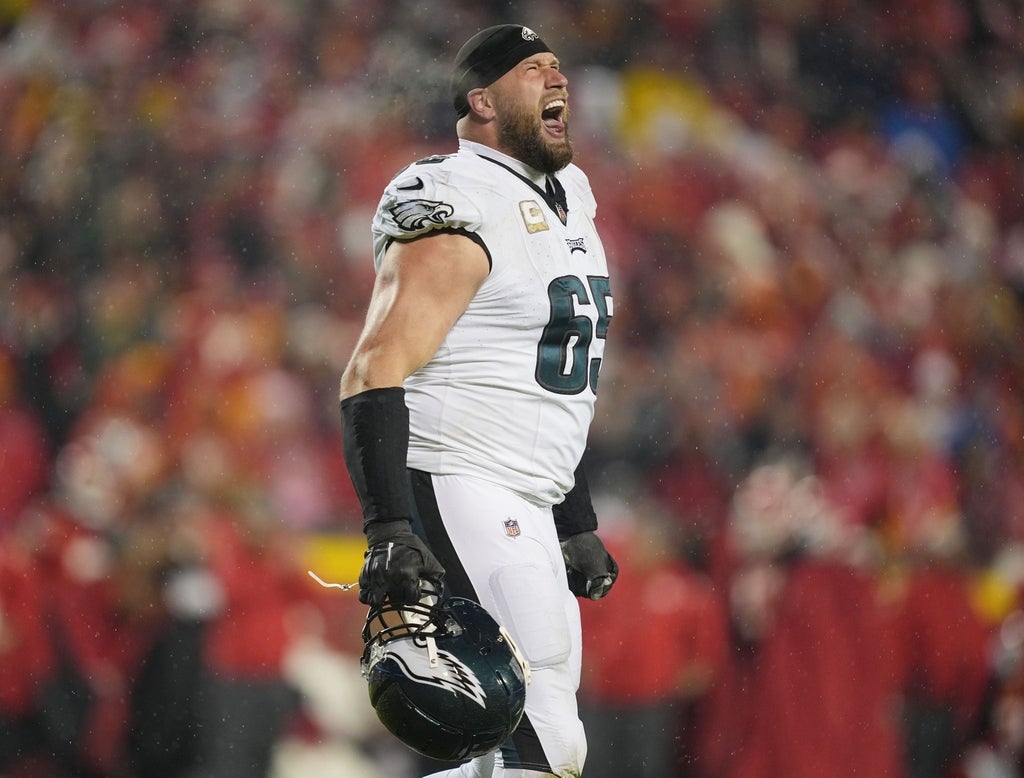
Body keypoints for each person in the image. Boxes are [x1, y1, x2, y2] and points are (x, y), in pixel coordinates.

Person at [338, 23, 619, 778]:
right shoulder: (456, 195)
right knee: (542, 738)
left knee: (531, 738)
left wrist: (575, 514)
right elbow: (376, 364)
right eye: (536, 70)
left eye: (560, 67)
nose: (559, 79)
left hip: (527, 489)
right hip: (460, 474)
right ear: (483, 100)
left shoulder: (570, 197)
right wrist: (390, 526)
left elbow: (551, 380)